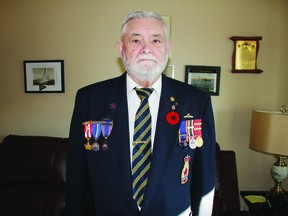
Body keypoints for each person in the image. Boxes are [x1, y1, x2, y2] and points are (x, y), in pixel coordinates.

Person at [66, 11, 216, 216]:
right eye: (136, 40)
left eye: (156, 40)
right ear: (121, 49)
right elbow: (77, 178)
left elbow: (205, 179)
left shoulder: (196, 102)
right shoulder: (90, 100)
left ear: (167, 48)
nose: (147, 49)